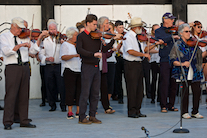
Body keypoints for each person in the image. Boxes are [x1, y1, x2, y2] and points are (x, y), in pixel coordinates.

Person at [76, 14, 122, 124]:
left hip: (96, 66)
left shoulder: (97, 36)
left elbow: (104, 49)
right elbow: (79, 50)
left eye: (96, 24)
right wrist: (93, 54)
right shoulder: (81, 36)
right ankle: (82, 117)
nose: (96, 27)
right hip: (87, 66)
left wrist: (112, 40)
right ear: (87, 24)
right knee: (85, 92)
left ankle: (92, 115)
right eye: (94, 24)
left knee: (96, 93)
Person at [0, 17, 40, 130]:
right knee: (11, 95)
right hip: (12, 67)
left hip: (25, 66)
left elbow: (33, 51)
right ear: (13, 26)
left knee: (24, 95)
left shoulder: (25, 37)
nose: (21, 31)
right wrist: (20, 46)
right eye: (19, 28)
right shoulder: (4, 37)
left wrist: (37, 41)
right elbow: (6, 52)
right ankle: (8, 121)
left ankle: (24, 120)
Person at [169, 23, 204, 119]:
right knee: (184, 93)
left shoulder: (193, 43)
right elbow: (172, 59)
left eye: (189, 31)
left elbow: (200, 56)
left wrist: (199, 47)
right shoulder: (177, 45)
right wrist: (183, 64)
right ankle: (184, 112)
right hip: (183, 72)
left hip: (195, 71)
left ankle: (195, 111)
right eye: (186, 31)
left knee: (197, 91)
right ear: (181, 33)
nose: (189, 33)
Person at [122, 17, 150, 118]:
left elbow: (143, 49)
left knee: (139, 89)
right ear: (136, 27)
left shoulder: (138, 37)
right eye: (141, 27)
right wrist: (144, 55)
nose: (142, 29)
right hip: (131, 64)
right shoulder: (128, 36)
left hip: (138, 64)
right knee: (132, 89)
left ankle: (138, 109)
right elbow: (130, 51)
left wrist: (155, 44)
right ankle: (131, 111)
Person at [38, 20, 66, 112]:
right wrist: (46, 58)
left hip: (59, 65)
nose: (53, 31)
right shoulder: (44, 41)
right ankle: (52, 105)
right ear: (48, 29)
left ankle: (63, 105)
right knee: (50, 86)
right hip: (49, 66)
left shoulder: (61, 39)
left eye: (54, 29)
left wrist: (64, 43)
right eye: (51, 29)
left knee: (61, 86)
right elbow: (41, 54)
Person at [155, 12, 179, 113]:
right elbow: (160, 39)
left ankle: (171, 104)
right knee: (165, 83)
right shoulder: (159, 31)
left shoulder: (174, 30)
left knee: (174, 83)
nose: (173, 21)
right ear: (165, 20)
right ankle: (163, 105)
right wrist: (172, 37)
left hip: (175, 59)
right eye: (171, 19)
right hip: (165, 59)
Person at [60, 27, 81, 119]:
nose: (77, 36)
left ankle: (78, 111)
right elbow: (63, 57)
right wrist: (75, 55)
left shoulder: (78, 45)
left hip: (79, 69)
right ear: (71, 36)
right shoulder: (65, 45)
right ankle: (69, 111)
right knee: (70, 91)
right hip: (69, 70)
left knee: (79, 91)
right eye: (76, 35)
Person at [113, 20, 125, 104]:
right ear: (116, 28)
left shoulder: (125, 36)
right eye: (120, 27)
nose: (122, 29)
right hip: (116, 57)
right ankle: (119, 96)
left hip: (123, 57)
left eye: (122, 27)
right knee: (118, 78)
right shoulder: (113, 36)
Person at [150, 24, 161, 103]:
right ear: (153, 31)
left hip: (160, 60)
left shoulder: (162, 38)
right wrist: (158, 50)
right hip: (153, 60)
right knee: (154, 79)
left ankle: (160, 97)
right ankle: (153, 97)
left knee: (161, 80)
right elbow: (149, 50)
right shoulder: (150, 39)